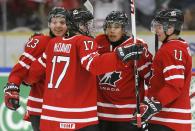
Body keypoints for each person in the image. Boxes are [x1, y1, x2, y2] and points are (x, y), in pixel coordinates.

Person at [24, 8, 143, 131]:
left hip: (50, 115)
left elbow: (32, 75)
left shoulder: (53, 43)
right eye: (85, 24)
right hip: (78, 116)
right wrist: (121, 55)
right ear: (76, 25)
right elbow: (94, 65)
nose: (90, 27)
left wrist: (25, 80)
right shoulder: (85, 41)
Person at [3, 7, 69, 131]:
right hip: (41, 107)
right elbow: (20, 69)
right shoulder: (40, 42)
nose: (58, 26)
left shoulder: (73, 43)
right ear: (49, 24)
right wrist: (13, 87)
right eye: (54, 22)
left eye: (62, 22)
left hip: (64, 107)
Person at [131, 9, 192, 131]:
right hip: (173, 120)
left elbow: (174, 85)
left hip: (168, 120)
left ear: (170, 28)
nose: (156, 30)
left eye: (159, 27)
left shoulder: (169, 50)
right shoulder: (179, 46)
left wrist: (153, 104)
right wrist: (142, 59)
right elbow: (156, 80)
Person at [95, 11, 153, 131]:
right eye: (109, 26)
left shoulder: (137, 45)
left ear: (124, 29)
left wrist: (150, 106)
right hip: (101, 114)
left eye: (116, 27)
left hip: (127, 116)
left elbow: (150, 77)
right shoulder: (99, 42)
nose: (112, 30)